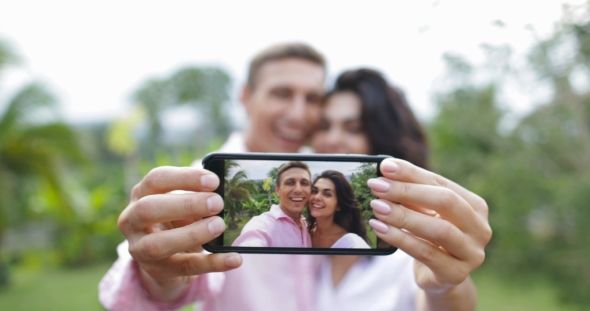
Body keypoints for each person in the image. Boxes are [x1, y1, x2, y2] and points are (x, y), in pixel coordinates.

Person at [100, 44, 491, 311]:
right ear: (246, 97)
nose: (300, 114)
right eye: (282, 93)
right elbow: (155, 286)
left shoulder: (336, 191)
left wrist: (446, 283)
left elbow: (431, 294)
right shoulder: (200, 186)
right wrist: (157, 270)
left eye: (312, 100)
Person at [311, 68, 491, 311]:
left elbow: (439, 298)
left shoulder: (409, 244)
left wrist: (445, 285)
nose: (332, 139)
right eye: (324, 126)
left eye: (353, 128)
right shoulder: (306, 235)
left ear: (383, 139)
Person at [232, 161, 312, 247]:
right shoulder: (264, 225)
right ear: (277, 190)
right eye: (290, 183)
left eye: (304, 183)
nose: (298, 190)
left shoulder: (304, 224)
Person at [307, 170, 370, 249]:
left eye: (327, 194)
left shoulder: (352, 244)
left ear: (339, 205)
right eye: (314, 191)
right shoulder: (305, 233)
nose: (317, 197)